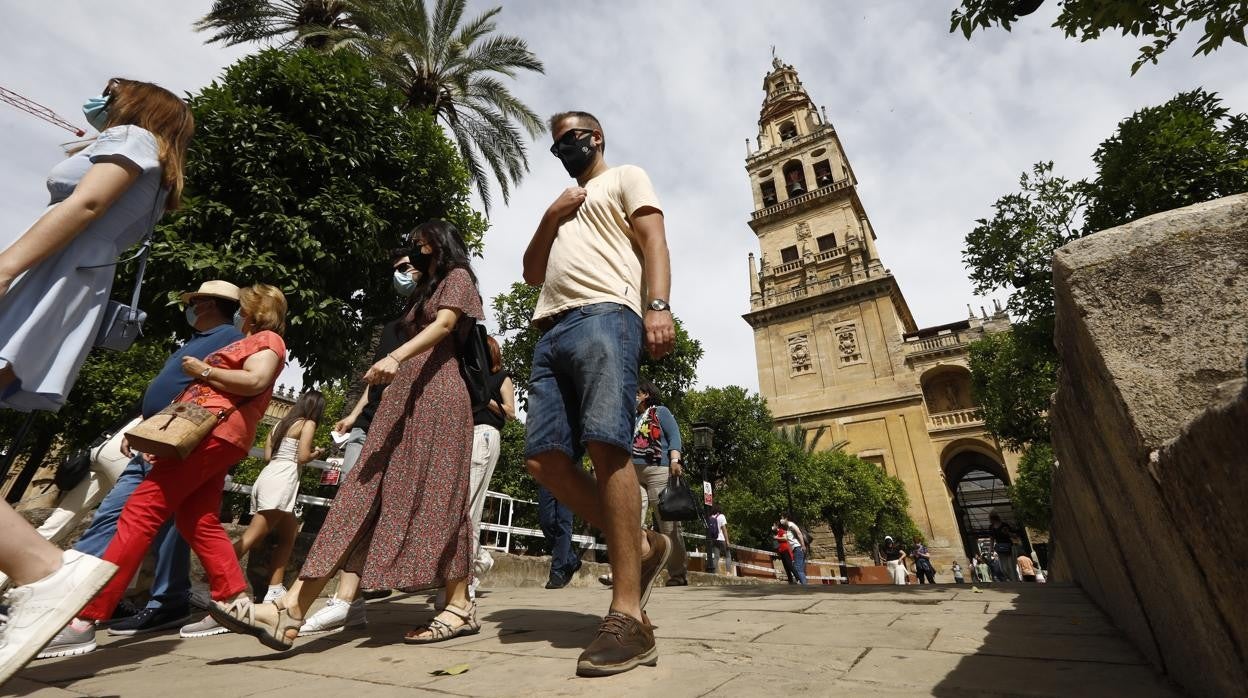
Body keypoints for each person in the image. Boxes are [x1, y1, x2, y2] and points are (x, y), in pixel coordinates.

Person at [213, 220, 484, 650]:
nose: (410, 251)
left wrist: (395, 355)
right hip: (402, 400)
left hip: (439, 399)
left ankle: (458, 605)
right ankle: (291, 610)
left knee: (439, 498)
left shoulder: (458, 278)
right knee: (357, 496)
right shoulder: (423, 291)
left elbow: (447, 324)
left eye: (417, 244)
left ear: (435, 243)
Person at [45, 284, 287, 658]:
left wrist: (203, 369)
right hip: (210, 434)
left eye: (241, 308)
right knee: (198, 520)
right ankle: (235, 601)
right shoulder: (245, 341)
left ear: (253, 311)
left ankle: (85, 619)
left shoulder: (267, 339)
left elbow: (255, 380)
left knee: (140, 511)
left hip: (213, 433)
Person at [520, 110, 675, 677]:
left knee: (607, 447)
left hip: (608, 315)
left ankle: (628, 615)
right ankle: (644, 544)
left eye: (572, 138)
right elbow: (531, 272)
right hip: (550, 328)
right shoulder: (563, 206)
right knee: (543, 461)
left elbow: (654, 237)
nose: (565, 147)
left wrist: (657, 305)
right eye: (556, 142)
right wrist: (550, 216)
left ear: (596, 137)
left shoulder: (625, 176)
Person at [0, 78, 193, 410]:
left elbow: (88, 203)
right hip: (77, 272)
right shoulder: (158, 162)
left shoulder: (135, 137)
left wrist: (5, 269)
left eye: (112, 96)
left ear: (139, 105)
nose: (104, 102)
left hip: (55, 262)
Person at [299, 253, 412, 634]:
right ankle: (347, 600)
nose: (405, 273)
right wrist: (353, 414)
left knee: (366, 510)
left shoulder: (434, 324)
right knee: (349, 505)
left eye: (411, 266)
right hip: (367, 426)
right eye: (398, 268)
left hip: (397, 429)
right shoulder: (392, 328)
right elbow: (374, 381)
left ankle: (344, 598)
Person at [179, 390, 326, 638]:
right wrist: (316, 453)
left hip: (268, 477)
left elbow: (268, 455)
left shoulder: (281, 424)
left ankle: (275, 589)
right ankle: (208, 583)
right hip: (284, 479)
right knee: (252, 538)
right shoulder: (308, 423)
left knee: (289, 535)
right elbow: (302, 456)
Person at [465, 336, 515, 594]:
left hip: (484, 434)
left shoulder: (500, 377)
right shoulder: (468, 378)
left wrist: (487, 400)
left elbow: (511, 412)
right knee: (461, 506)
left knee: (471, 506)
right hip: (464, 435)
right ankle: (480, 558)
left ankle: (467, 577)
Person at [631, 379, 689, 586]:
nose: (632, 395)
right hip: (633, 473)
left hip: (659, 469)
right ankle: (630, 574)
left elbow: (674, 435)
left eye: (635, 392)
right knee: (632, 523)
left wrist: (675, 459)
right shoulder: (632, 418)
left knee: (668, 525)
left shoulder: (660, 412)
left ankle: (678, 574)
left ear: (645, 394)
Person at [540, 487, 581, 589]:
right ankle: (572, 560)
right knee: (546, 523)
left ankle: (557, 571)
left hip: (568, 479)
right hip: (546, 478)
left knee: (563, 523)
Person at [779, 516, 808, 585]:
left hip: (798, 548)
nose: (781, 520)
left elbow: (799, 534)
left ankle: (804, 586)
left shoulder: (791, 525)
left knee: (798, 568)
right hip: (796, 549)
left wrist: (803, 545)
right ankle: (804, 584)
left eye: (782, 518)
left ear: (786, 518)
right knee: (800, 568)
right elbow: (786, 538)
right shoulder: (788, 528)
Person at [988, 513, 1017, 582]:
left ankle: (1015, 581)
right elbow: (992, 539)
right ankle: (1010, 579)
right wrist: (991, 549)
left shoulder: (1004, 525)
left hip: (1009, 547)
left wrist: (1008, 532)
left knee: (1011, 567)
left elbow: (1014, 536)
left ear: (993, 518)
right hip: (1000, 548)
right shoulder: (991, 527)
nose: (989, 520)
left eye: (990, 519)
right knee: (1003, 568)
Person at [706, 506, 730, 574]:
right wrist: (727, 541)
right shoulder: (722, 516)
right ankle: (728, 573)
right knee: (728, 556)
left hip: (714, 539)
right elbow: (724, 529)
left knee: (716, 557)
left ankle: (713, 572)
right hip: (722, 539)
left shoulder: (711, 517)